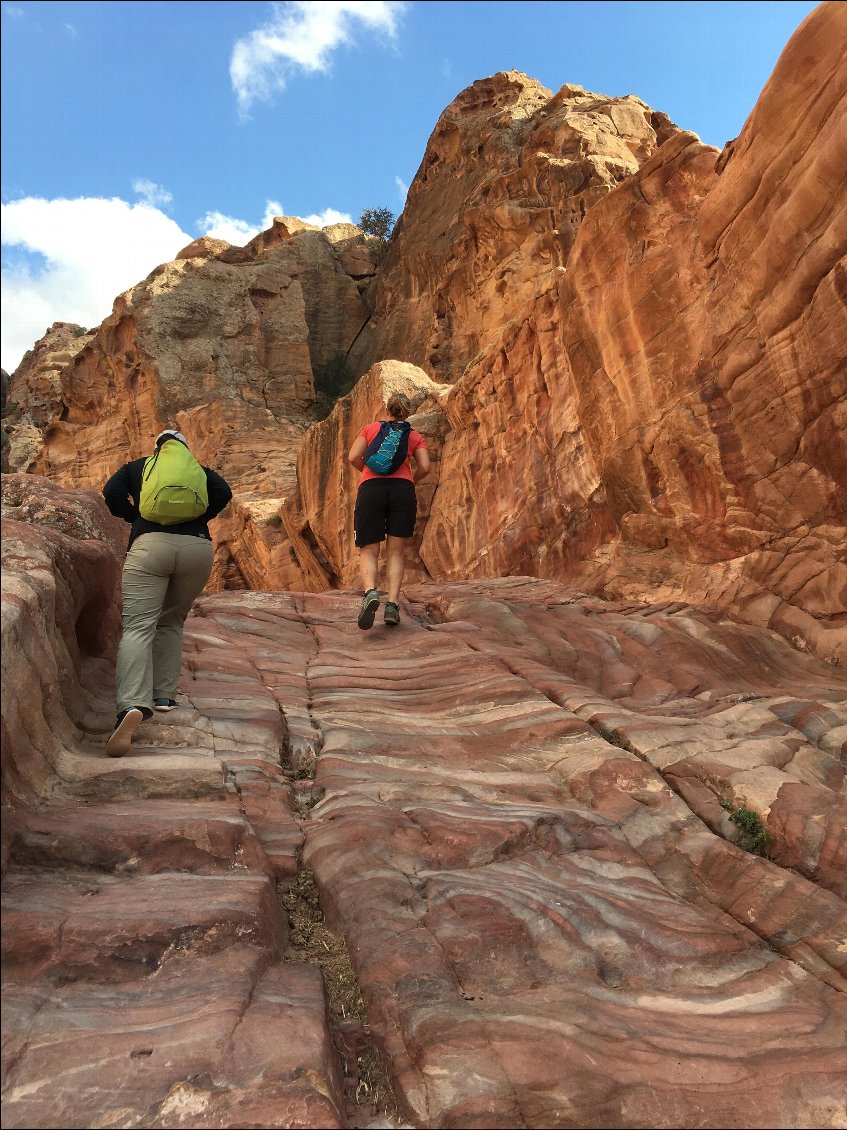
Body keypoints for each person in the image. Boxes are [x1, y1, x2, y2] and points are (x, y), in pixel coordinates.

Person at [101, 428, 232, 756]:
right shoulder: (198, 472)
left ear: (158, 449)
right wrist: (201, 517)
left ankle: (131, 704)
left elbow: (111, 491)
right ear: (185, 451)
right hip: (197, 549)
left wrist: (134, 516)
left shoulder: (139, 467)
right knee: (172, 621)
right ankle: (164, 697)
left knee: (138, 627)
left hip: (150, 546)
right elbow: (224, 492)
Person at [347, 393, 430, 630]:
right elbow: (425, 466)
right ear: (408, 412)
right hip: (402, 491)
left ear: (388, 409)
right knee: (396, 552)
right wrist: (410, 479)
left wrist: (366, 472)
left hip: (371, 488)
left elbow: (353, 456)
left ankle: (371, 592)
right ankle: (392, 605)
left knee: (369, 549)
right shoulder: (413, 436)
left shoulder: (371, 428)